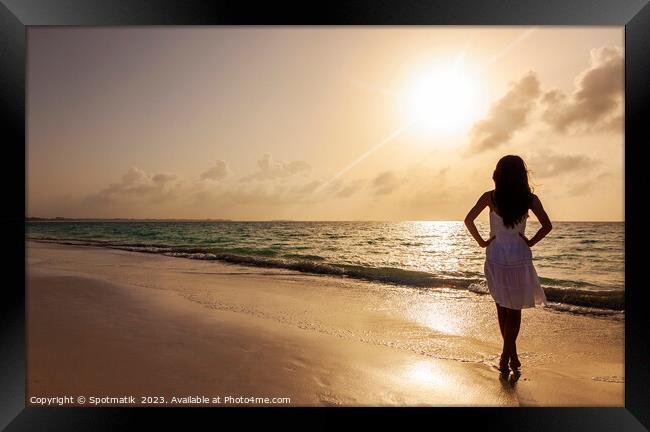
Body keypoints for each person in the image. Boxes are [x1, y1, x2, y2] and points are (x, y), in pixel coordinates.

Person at [464, 155, 552, 374]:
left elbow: (468, 220)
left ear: (498, 174)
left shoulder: (490, 197)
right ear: (522, 175)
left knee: (502, 306)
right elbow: (547, 226)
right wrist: (529, 242)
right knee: (514, 310)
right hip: (519, 257)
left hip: (496, 256)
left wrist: (482, 242)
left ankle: (508, 355)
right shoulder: (530, 199)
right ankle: (509, 355)